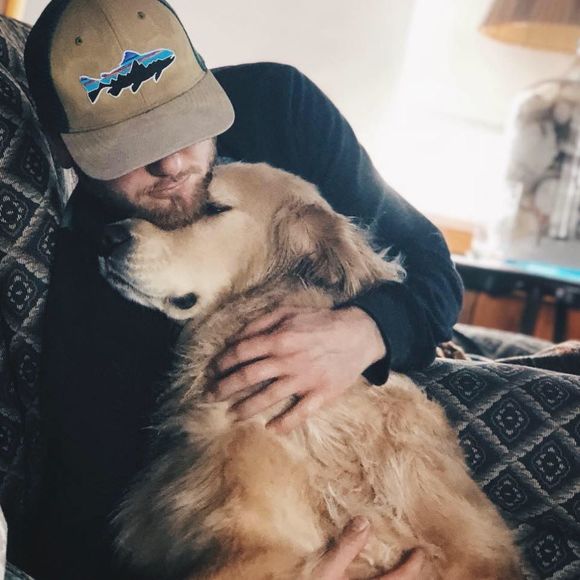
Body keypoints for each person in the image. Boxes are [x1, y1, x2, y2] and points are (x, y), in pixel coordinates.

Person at [18, 0, 462, 578]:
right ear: (64, 150)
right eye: (130, 145)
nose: (172, 164)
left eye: (183, 121)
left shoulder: (281, 106)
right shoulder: (81, 288)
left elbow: (432, 269)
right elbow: (88, 520)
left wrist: (366, 330)